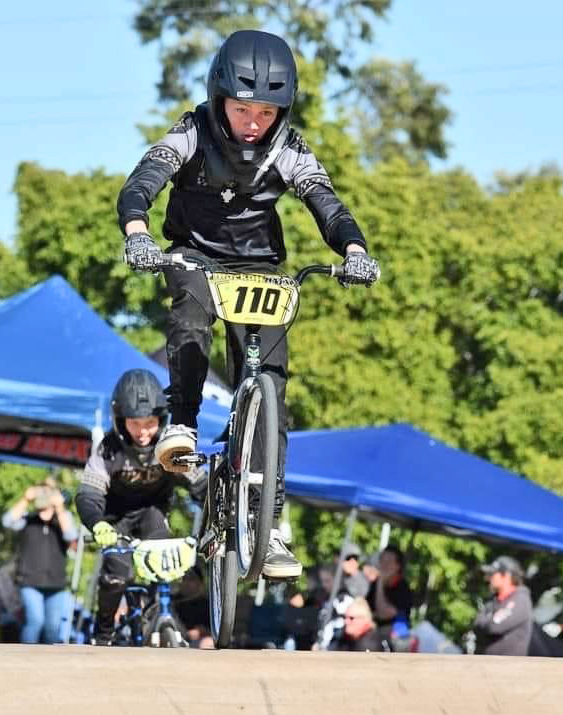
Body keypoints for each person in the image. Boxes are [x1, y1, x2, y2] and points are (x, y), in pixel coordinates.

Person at [116, 30, 381, 580]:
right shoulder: (190, 132)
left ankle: (273, 524)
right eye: (243, 109)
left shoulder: (290, 148)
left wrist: (355, 249)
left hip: (260, 265)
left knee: (272, 386)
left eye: (266, 111)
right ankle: (183, 425)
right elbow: (143, 181)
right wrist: (139, 232)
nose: (254, 122)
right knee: (189, 308)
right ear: (219, 99)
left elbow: (325, 203)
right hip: (195, 254)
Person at [74, 369, 205, 646]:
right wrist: (98, 524)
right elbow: (88, 495)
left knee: (164, 568)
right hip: (115, 519)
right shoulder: (107, 451)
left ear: (162, 418)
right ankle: (104, 630)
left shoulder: (170, 446)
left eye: (150, 422)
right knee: (117, 575)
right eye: (135, 423)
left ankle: (158, 616)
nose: (144, 432)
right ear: (120, 420)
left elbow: (201, 486)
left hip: (153, 513)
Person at [3, 476, 77, 644]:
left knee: (53, 628)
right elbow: (7, 521)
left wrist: (59, 507)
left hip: (56, 584)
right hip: (30, 582)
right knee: (35, 622)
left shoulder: (62, 519)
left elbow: (71, 535)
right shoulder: (28, 520)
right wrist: (25, 498)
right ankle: (24, 663)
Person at [473, 555, 532, 656]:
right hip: (486, 665)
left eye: (493, 574)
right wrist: (485, 624)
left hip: (507, 668)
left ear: (507, 576)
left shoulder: (521, 600)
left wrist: (485, 623)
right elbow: (476, 624)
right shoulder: (493, 600)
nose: (489, 578)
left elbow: (494, 627)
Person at [364, 545, 414, 630]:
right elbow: (365, 609)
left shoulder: (403, 589)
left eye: (389, 561)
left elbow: (383, 614)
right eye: (382, 560)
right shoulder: (375, 584)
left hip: (393, 636)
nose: (384, 564)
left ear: (397, 566)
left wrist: (380, 582)